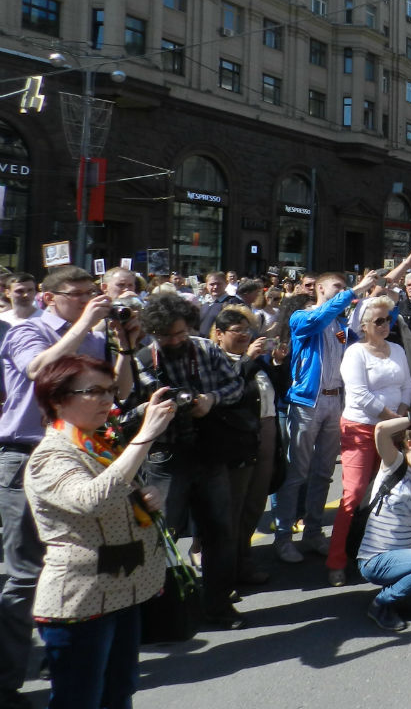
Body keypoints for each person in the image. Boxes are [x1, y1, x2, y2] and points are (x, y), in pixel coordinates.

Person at [0, 267, 139, 709]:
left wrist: (125, 345)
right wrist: (84, 324)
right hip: (27, 454)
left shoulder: (96, 337)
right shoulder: (28, 329)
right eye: (75, 295)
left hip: (83, 454)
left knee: (81, 562)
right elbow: (39, 370)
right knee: (25, 574)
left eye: (90, 294)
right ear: (48, 296)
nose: (85, 300)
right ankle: (7, 681)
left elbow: (117, 391)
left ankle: (68, 654)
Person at [25, 357, 176, 709]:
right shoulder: (51, 455)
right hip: (80, 599)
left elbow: (119, 490)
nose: (107, 399)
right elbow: (91, 500)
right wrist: (146, 437)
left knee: (118, 692)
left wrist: (146, 497)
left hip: (120, 589)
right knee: (79, 700)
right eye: (93, 391)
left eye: (109, 390)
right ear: (58, 399)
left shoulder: (95, 442)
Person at [136, 293, 247, 629]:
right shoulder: (144, 358)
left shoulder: (206, 349)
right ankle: (161, 610)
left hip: (209, 450)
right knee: (162, 534)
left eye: (180, 333)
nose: (174, 340)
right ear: (154, 332)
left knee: (220, 531)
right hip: (165, 456)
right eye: (166, 335)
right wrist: (159, 409)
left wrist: (210, 399)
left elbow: (237, 386)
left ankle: (218, 605)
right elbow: (130, 406)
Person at [273, 269, 380, 564]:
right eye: (337, 286)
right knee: (297, 472)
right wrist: (356, 289)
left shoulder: (339, 325)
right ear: (319, 288)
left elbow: (367, 329)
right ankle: (283, 538)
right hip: (307, 403)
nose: (342, 290)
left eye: (344, 287)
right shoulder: (302, 317)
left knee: (323, 472)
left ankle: (313, 532)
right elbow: (318, 318)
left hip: (335, 403)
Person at [327, 294, 411, 585]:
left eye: (387, 319)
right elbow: (360, 395)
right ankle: (336, 559)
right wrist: (392, 417)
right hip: (361, 429)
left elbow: (407, 384)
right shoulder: (355, 353)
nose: (384, 325)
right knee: (353, 493)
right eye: (378, 321)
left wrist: (401, 414)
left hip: (393, 429)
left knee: (387, 493)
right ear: (363, 326)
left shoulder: (398, 350)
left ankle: (381, 552)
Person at [209, 307, 278, 588]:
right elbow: (231, 389)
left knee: (254, 504)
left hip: (265, 431)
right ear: (219, 334)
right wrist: (249, 358)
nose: (243, 336)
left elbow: (275, 390)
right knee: (233, 510)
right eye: (237, 331)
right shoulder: (216, 360)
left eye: (246, 331)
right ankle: (226, 574)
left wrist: (277, 364)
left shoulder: (255, 360)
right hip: (237, 440)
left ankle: (243, 562)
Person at [357, 414, 411, 632]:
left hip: (405, 556)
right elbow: (380, 430)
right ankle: (381, 604)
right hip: (376, 559)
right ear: (410, 444)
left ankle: (409, 585)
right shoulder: (394, 463)